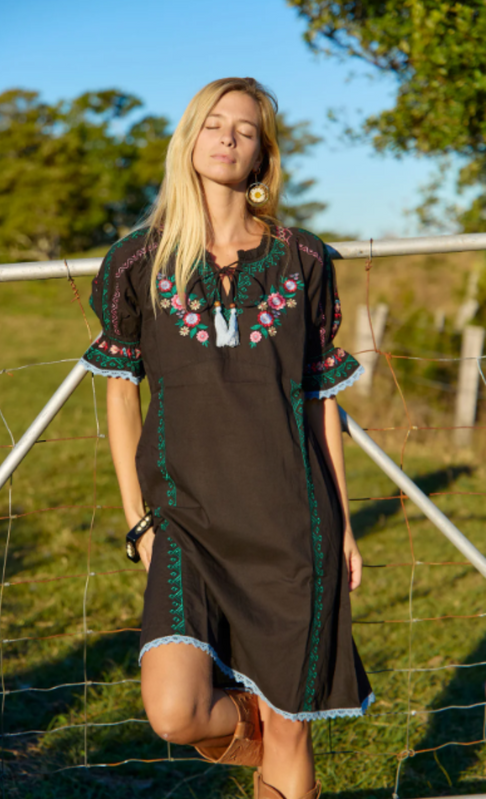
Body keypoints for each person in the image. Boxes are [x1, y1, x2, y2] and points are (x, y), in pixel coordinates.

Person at [81, 77, 374, 799]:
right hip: (184, 520)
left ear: (262, 158)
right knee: (174, 710)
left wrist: (339, 526)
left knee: (291, 732)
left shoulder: (304, 260)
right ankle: (261, 720)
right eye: (213, 123)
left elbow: (317, 402)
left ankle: (281, 729)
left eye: (245, 130)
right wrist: (137, 520)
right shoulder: (134, 261)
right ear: (189, 140)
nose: (227, 138)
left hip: (290, 524)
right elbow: (122, 398)